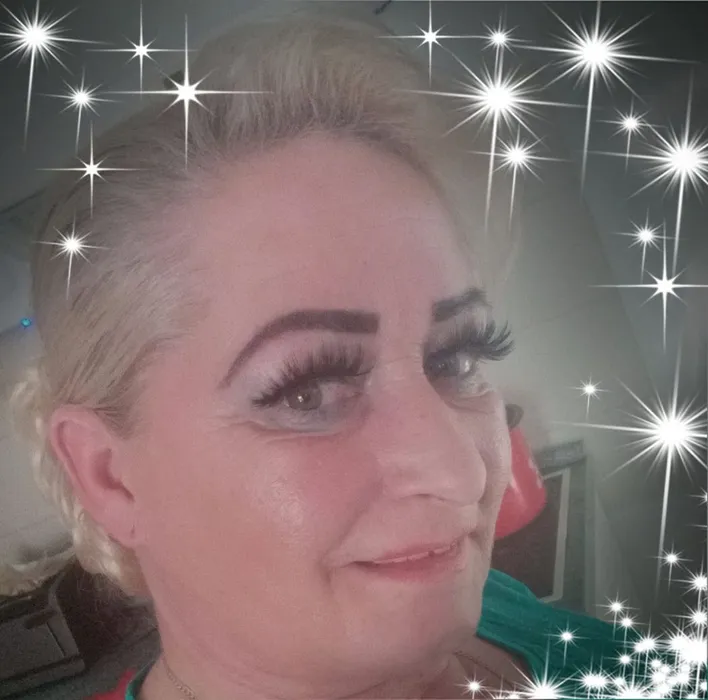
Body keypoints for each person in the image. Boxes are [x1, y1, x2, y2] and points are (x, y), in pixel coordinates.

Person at [10, 3, 651, 699]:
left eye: (455, 358)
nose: (458, 469)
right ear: (111, 478)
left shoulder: (491, 603)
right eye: (305, 390)